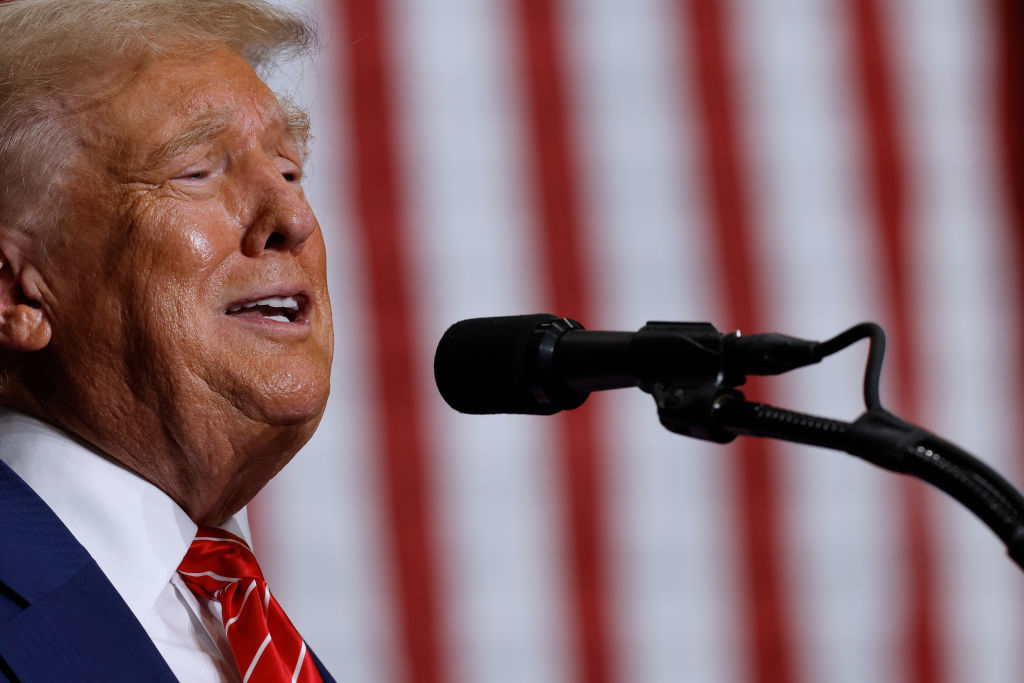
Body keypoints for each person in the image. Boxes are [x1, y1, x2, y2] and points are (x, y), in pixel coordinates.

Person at [0, 0, 336, 680]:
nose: (293, 217)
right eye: (196, 172)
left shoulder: (246, 629)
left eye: (290, 170)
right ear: (17, 293)